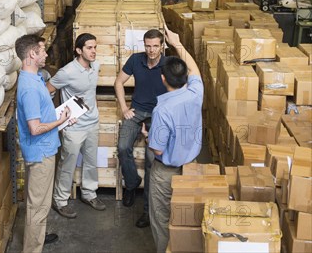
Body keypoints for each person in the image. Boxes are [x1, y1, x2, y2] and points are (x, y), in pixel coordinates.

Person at [142, 25, 203, 253]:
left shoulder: (163, 110)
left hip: (166, 172)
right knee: (185, 219)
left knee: (162, 218)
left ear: (162, 78)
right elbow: (195, 71)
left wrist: (148, 135)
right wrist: (177, 43)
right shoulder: (196, 93)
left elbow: (157, 150)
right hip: (191, 166)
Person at [15, 34, 72, 253]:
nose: (47, 54)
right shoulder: (29, 88)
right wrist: (60, 121)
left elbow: (41, 118)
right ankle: (32, 248)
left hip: (45, 149)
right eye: (43, 50)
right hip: (40, 154)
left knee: (39, 204)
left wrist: (62, 120)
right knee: (37, 206)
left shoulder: (35, 79)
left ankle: (37, 236)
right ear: (32, 54)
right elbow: (35, 128)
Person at [47, 32, 105, 218]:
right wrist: (59, 116)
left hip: (92, 123)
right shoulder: (67, 72)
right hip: (73, 127)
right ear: (79, 50)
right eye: (89, 48)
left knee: (90, 162)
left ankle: (89, 193)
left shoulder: (95, 67)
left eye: (95, 47)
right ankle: (60, 200)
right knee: (67, 164)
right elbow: (48, 91)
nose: (93, 51)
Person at [114, 29, 167, 228]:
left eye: (155, 46)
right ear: (143, 45)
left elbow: (179, 90)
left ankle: (147, 210)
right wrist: (124, 108)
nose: (151, 50)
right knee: (122, 147)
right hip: (136, 111)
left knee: (151, 160)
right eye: (148, 46)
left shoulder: (167, 64)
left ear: (162, 46)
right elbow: (118, 82)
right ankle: (132, 182)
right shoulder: (136, 60)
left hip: (158, 116)